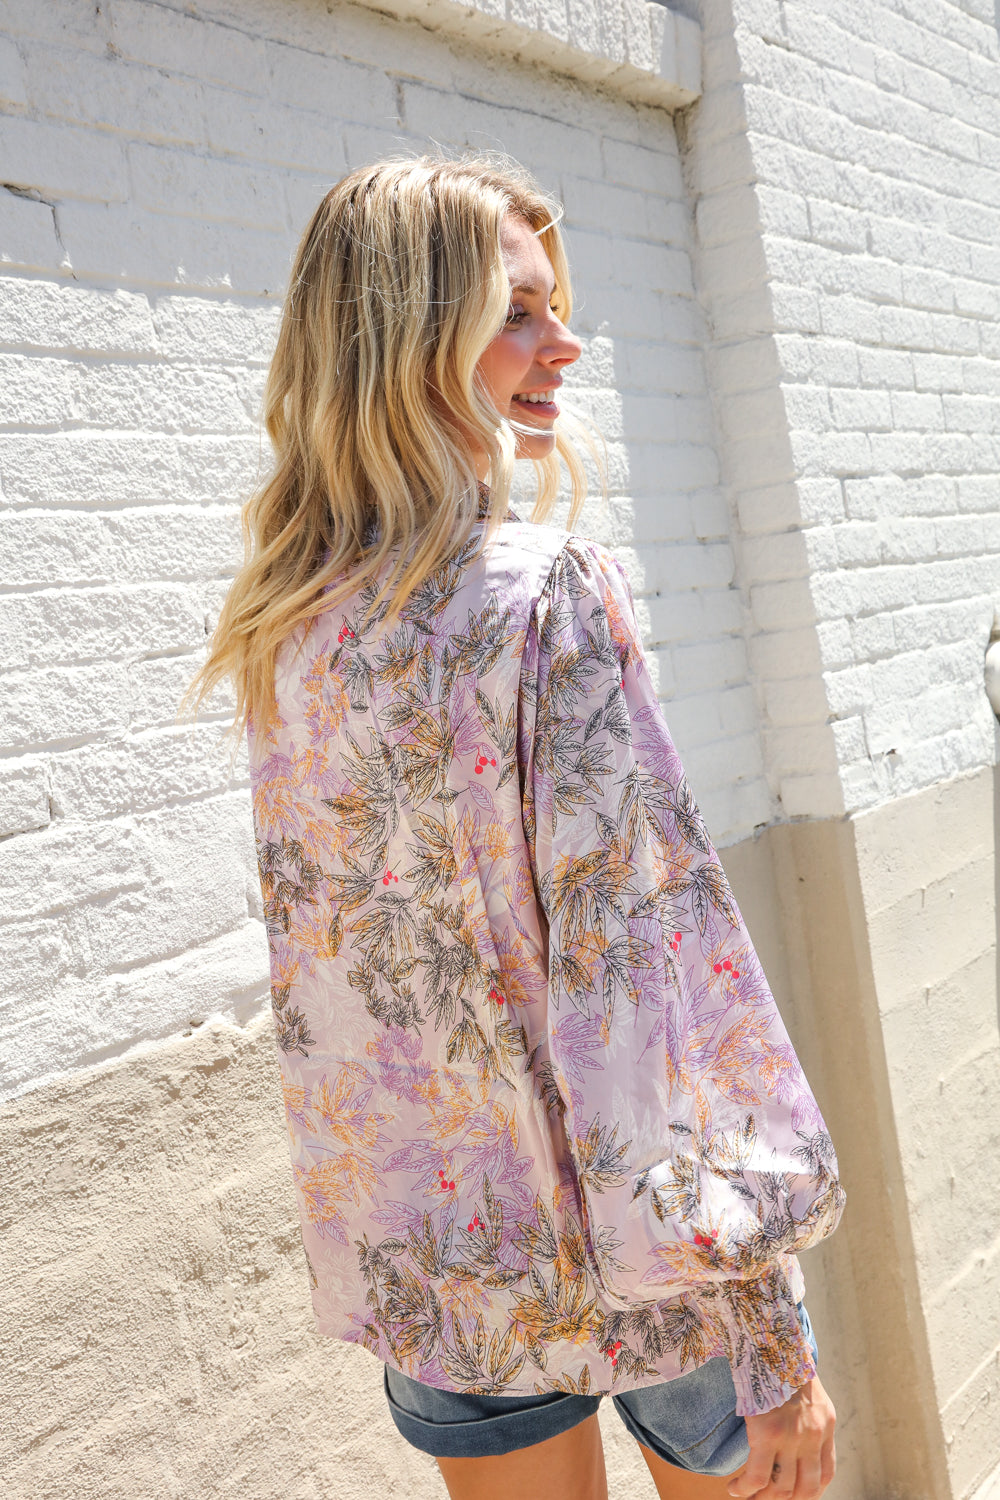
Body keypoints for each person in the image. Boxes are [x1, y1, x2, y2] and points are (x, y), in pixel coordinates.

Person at [188, 155, 845, 1500]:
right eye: (518, 314)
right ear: (405, 338)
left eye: (558, 310)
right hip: (647, 1241)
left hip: (440, 1257)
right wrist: (770, 1326)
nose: (565, 345)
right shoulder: (544, 596)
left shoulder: (281, 631)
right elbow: (653, 969)